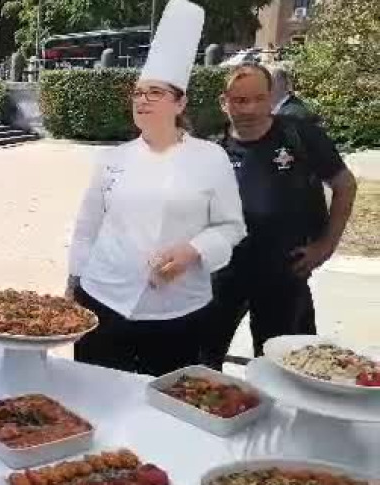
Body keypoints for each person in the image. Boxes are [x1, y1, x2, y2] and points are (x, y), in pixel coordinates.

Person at [66, 0, 246, 377]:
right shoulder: (112, 158)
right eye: (138, 93)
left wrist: (193, 251)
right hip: (103, 299)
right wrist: (74, 285)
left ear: (180, 103)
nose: (142, 100)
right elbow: (87, 228)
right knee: (95, 391)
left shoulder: (210, 157)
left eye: (155, 93)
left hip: (178, 309)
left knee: (165, 397)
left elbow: (231, 227)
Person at [200, 63, 357, 369]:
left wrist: (326, 245)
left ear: (271, 98)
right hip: (221, 274)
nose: (250, 108)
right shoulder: (210, 147)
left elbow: (345, 185)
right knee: (200, 361)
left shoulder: (300, 135)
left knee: (285, 368)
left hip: (285, 273)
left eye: (259, 98)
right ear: (224, 102)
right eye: (240, 100)